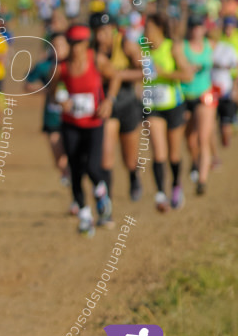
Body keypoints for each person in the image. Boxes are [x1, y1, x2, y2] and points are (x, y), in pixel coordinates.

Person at [51, 25, 120, 236]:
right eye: (72, 43)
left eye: (80, 43)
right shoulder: (62, 67)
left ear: (86, 43)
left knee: (92, 166)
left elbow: (115, 77)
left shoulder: (96, 60)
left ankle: (101, 193)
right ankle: (84, 215)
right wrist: (61, 100)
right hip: (71, 124)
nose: (76, 48)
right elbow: (53, 90)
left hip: (94, 124)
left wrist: (109, 100)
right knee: (76, 171)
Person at [142, 13, 194, 212]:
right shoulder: (144, 50)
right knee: (158, 151)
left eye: (149, 28)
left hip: (173, 105)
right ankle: (160, 194)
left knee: (173, 154)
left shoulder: (172, 48)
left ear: (159, 29)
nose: (145, 32)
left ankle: (175, 185)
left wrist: (164, 73)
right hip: (153, 107)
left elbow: (187, 75)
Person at [91, 13, 145, 202]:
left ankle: (133, 177)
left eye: (104, 31)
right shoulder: (92, 51)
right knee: (106, 155)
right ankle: (107, 199)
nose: (100, 36)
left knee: (129, 156)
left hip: (128, 103)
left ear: (112, 29)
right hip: (106, 105)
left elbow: (145, 72)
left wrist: (118, 75)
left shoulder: (126, 45)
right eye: (97, 32)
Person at [25, 32, 70, 188]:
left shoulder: (75, 66)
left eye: (62, 45)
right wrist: (48, 90)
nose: (58, 49)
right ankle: (67, 175)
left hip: (74, 117)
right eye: (55, 46)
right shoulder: (44, 66)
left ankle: (76, 196)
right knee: (59, 157)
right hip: (52, 117)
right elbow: (27, 84)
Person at [181, 16, 215, 195]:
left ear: (203, 29)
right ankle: (195, 162)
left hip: (205, 96)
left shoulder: (210, 45)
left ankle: (202, 180)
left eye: (199, 27)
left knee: (203, 138)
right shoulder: (182, 47)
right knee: (190, 140)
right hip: (186, 96)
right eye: (193, 27)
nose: (196, 30)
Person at [213, 18, 238, 149]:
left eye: (231, 26)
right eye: (227, 26)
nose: (229, 29)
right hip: (221, 80)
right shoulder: (220, 40)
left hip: (234, 78)